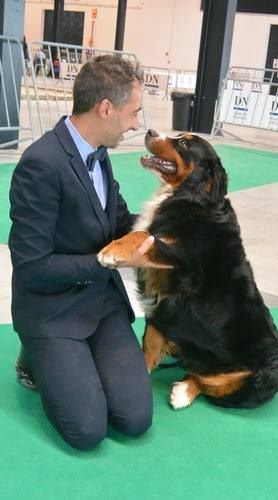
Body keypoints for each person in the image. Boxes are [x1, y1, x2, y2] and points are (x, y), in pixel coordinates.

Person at [8, 54, 166, 451]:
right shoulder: (40, 165)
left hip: (99, 303)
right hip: (51, 309)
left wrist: (169, 227)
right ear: (105, 108)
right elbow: (31, 268)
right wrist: (111, 261)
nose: (135, 125)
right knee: (87, 430)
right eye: (133, 114)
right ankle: (34, 355)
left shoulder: (100, 153)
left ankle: (75, 361)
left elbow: (116, 221)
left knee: (135, 419)